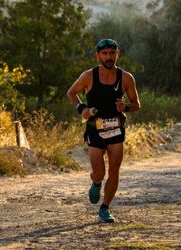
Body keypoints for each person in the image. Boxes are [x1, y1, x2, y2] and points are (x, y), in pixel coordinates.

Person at [66, 38, 140, 223]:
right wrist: (82, 109)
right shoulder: (89, 76)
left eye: (112, 53)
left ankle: (105, 207)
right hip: (94, 129)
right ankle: (96, 182)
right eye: (105, 53)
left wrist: (126, 107)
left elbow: (136, 104)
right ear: (98, 56)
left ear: (118, 54)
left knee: (114, 170)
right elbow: (71, 93)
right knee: (99, 172)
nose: (109, 57)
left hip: (116, 129)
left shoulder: (126, 78)